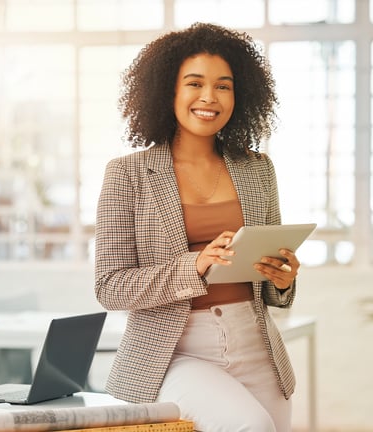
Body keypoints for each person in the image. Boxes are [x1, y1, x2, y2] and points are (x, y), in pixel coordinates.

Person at [95, 22, 300, 432]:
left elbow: (276, 288)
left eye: (223, 86)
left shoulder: (258, 169)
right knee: (250, 426)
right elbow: (110, 287)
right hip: (175, 351)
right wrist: (196, 264)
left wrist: (283, 277)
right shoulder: (128, 174)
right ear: (167, 90)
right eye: (194, 83)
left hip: (255, 342)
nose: (209, 97)